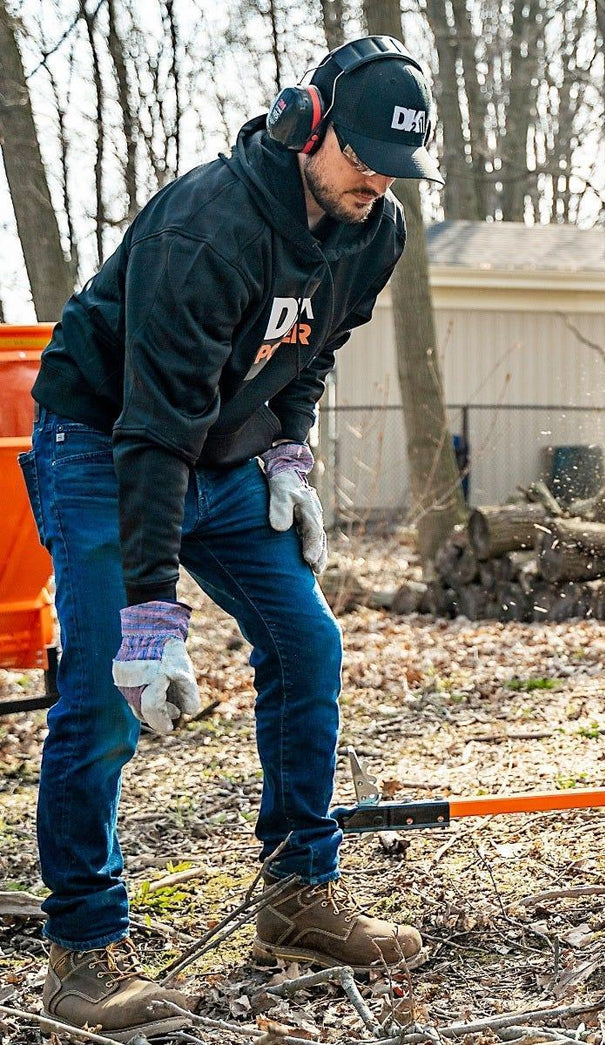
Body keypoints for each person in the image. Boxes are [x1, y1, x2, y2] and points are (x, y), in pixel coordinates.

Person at [18, 35, 442, 1042]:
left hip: (220, 446)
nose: (378, 178)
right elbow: (151, 426)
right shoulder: (212, 224)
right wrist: (154, 610)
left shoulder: (373, 229)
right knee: (103, 688)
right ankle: (83, 948)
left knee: (308, 642)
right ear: (308, 124)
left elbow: (311, 350)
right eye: (363, 153)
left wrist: (288, 453)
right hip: (103, 440)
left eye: (396, 161)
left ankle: (299, 894)